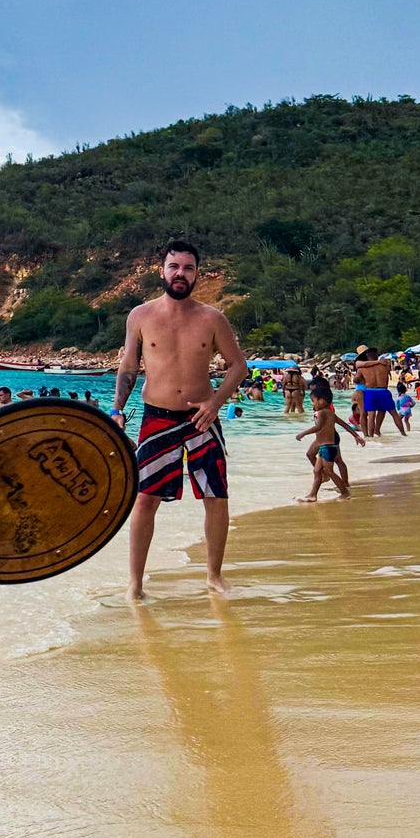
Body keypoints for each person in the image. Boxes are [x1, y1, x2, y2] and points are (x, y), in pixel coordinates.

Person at [114, 240, 248, 601]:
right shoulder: (139, 316)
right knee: (145, 499)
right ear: (162, 271)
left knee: (216, 496)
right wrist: (116, 410)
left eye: (188, 268)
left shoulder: (211, 318)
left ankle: (214, 576)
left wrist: (217, 402)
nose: (180, 274)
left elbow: (239, 366)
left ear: (197, 274)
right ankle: (136, 584)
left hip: (201, 418)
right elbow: (129, 367)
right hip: (156, 418)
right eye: (174, 267)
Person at [296, 388, 362, 501]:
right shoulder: (330, 413)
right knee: (317, 471)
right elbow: (345, 425)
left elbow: (318, 427)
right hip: (325, 446)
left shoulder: (322, 413)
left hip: (328, 447)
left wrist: (303, 433)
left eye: (313, 401)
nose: (313, 404)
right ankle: (313, 495)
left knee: (329, 472)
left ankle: (345, 492)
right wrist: (356, 436)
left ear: (322, 401)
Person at [357, 349, 405, 439]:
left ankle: (371, 437)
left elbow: (355, 380)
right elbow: (387, 380)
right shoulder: (385, 366)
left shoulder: (362, 368)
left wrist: (364, 380)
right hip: (383, 390)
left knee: (371, 415)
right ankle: (403, 433)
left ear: (367, 356)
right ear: (377, 355)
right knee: (394, 413)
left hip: (370, 391)